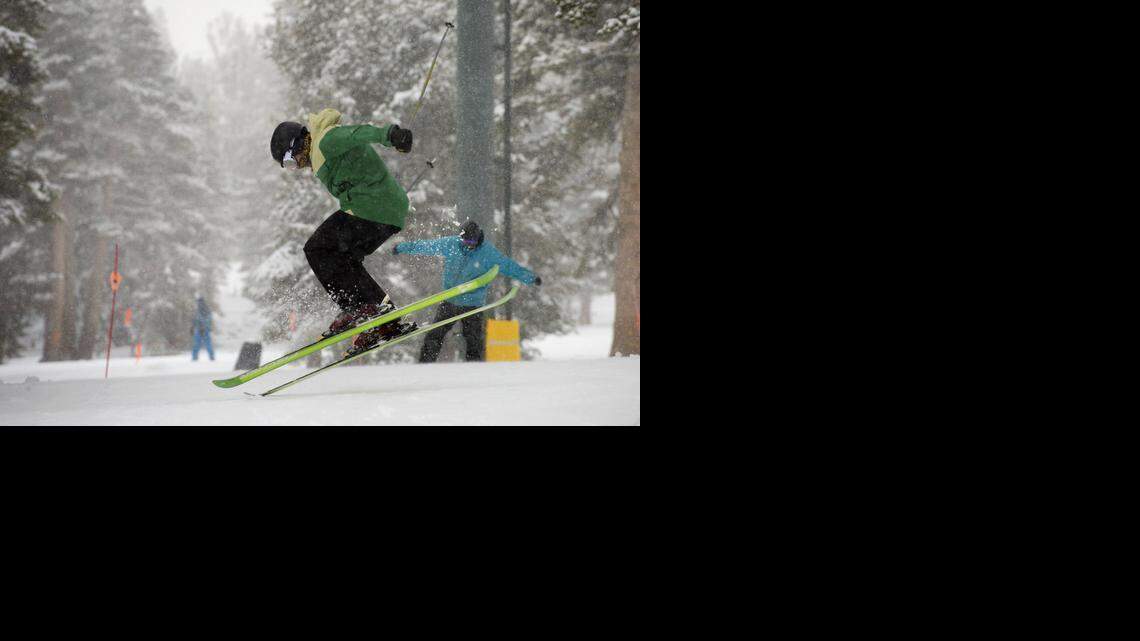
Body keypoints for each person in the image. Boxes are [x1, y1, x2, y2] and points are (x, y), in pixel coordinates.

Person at [270, 108, 418, 356]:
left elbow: (357, 133)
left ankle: (358, 308)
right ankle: (386, 322)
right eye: (289, 166)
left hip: (373, 206)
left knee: (317, 248)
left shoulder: (325, 141)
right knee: (344, 258)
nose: (296, 166)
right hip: (384, 211)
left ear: (297, 144)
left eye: (290, 161)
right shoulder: (319, 154)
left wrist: (391, 135)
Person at [394, 221, 542, 363]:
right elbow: (426, 246)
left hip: (472, 304)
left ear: (478, 239)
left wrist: (531, 278)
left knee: (473, 340)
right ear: (461, 238)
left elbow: (509, 266)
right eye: (466, 242)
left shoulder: (487, 253)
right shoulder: (451, 244)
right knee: (434, 335)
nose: (469, 245)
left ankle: (474, 369)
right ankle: (424, 366)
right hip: (450, 300)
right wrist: (401, 247)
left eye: (472, 242)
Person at [192, 295, 215, 362]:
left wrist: (199, 326)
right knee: (208, 343)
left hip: (201, 329)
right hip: (204, 329)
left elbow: (198, 319)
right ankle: (211, 357)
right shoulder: (206, 308)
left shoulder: (201, 309)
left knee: (197, 344)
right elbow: (208, 319)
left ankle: (195, 357)